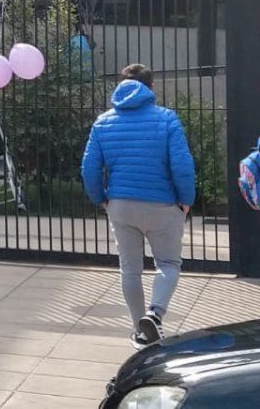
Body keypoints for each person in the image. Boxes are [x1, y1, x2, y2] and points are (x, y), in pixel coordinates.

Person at [82, 64, 195, 349]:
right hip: (162, 205)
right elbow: (182, 166)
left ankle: (140, 331)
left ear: (121, 85)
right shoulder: (167, 119)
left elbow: (89, 169)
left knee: (130, 269)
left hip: (120, 205)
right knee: (168, 263)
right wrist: (186, 200)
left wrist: (102, 199)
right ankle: (154, 314)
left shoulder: (103, 122)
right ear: (151, 87)